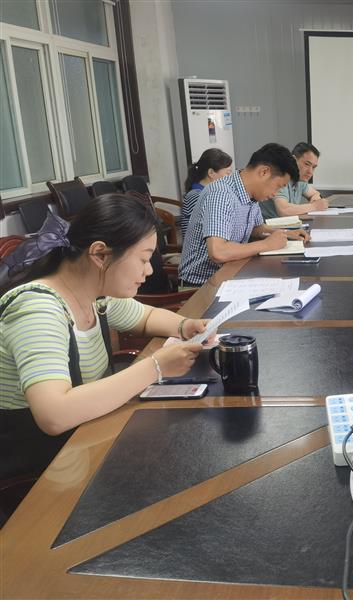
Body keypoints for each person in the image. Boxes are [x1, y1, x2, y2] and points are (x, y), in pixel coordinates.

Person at [0, 195, 207, 479]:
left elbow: (146, 317)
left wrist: (186, 326)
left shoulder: (96, 294)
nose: (149, 270)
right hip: (41, 465)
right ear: (99, 254)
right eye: (144, 259)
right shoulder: (38, 309)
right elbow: (54, 415)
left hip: (84, 436)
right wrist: (156, 367)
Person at [179, 143, 308, 287]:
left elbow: (256, 228)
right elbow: (218, 252)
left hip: (231, 274)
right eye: (278, 186)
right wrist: (266, 244)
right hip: (201, 286)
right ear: (264, 172)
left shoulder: (251, 194)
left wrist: (286, 234)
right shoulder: (221, 193)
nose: (275, 194)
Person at [260, 142, 328, 219]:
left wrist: (316, 201)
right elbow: (283, 210)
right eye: (307, 164)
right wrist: (314, 206)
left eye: (313, 167)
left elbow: (314, 194)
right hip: (268, 225)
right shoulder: (281, 177)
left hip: (286, 224)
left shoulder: (300, 179)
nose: (310, 172)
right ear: (293, 160)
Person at [181, 148, 233, 238]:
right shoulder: (196, 196)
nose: (230, 178)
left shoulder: (208, 193)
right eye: (227, 173)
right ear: (211, 173)